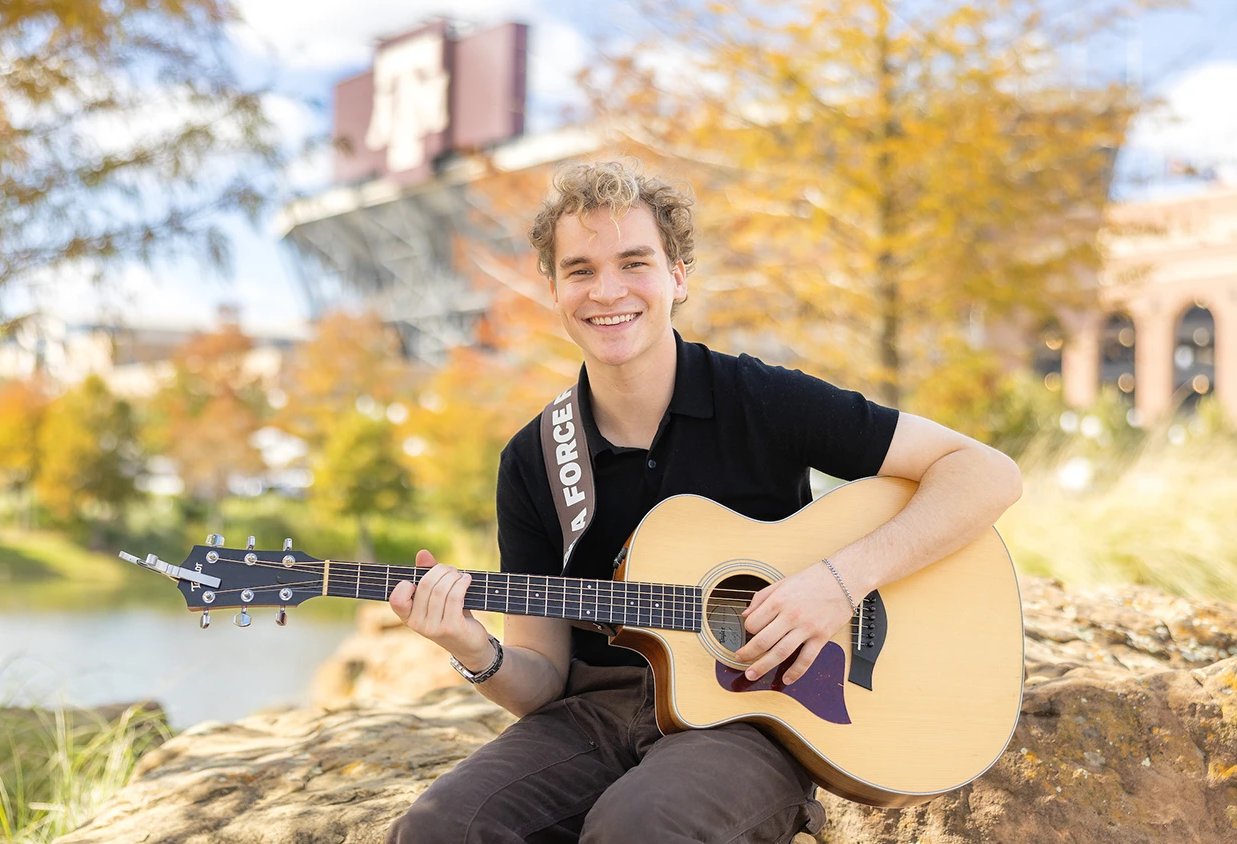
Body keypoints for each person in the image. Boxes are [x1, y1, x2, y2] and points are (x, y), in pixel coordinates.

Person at [386, 161, 1023, 844]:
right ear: (553, 290)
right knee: (437, 830)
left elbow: (985, 474)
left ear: (678, 276)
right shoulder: (534, 458)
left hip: (748, 718)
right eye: (579, 270)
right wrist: (470, 646)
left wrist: (839, 583)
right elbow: (539, 681)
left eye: (634, 262)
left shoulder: (759, 398)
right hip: (592, 716)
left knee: (639, 828)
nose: (607, 291)